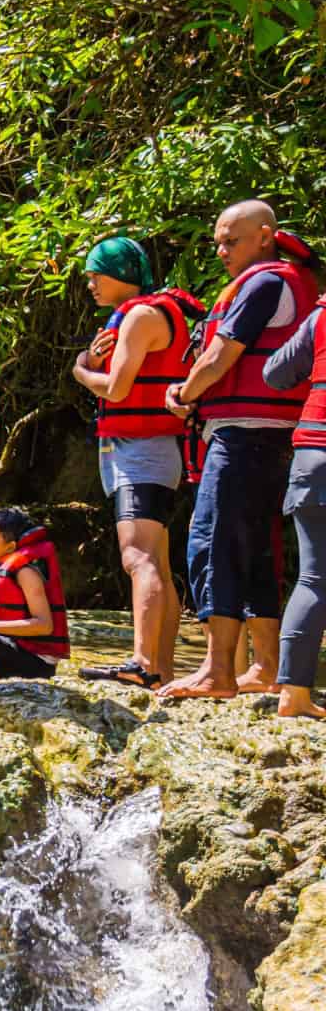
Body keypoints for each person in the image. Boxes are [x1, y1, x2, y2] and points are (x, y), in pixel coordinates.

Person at [162, 201, 321, 699]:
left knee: (214, 540)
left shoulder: (264, 283)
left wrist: (183, 396)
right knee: (257, 546)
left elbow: (219, 355)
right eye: (218, 243)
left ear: (265, 236)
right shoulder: (294, 284)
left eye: (232, 241)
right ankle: (266, 668)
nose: (223, 251)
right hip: (278, 436)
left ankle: (217, 672)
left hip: (243, 433)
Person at [68, 237, 205, 688]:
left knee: (138, 557)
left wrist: (81, 369)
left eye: (96, 274)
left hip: (142, 448)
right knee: (156, 563)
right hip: (146, 447)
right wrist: (95, 357)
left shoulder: (142, 315)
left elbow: (117, 389)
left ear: (122, 274)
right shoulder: (144, 313)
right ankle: (159, 668)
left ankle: (143, 664)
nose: (90, 283)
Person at [265, 290, 326, 717]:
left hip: (312, 456)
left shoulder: (322, 315)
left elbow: (276, 373)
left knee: (314, 579)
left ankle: (294, 694)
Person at [0, 508, 70, 681]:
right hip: (8, 647)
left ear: (10, 546)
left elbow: (44, 625)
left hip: (35, 662)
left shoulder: (25, 572)